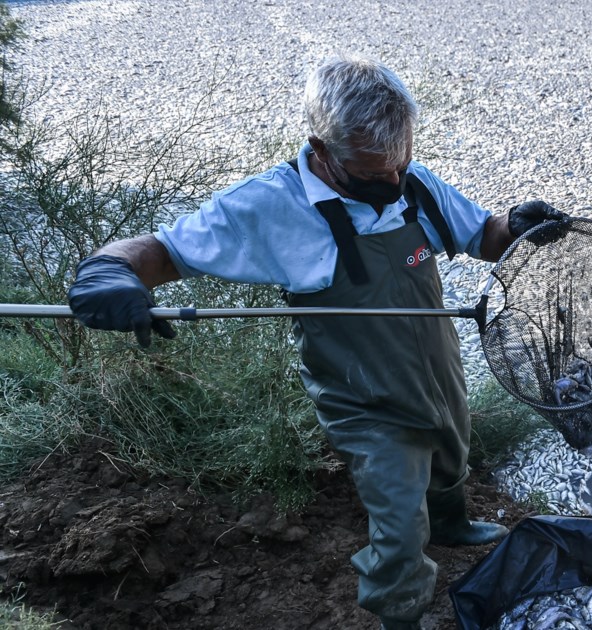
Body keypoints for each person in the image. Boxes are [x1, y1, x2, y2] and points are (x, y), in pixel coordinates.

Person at [66, 53, 565, 630]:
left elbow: (482, 235)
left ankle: (451, 524)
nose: (393, 184)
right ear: (322, 151)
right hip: (364, 399)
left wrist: (518, 226)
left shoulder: (412, 182)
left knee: (451, 452)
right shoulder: (270, 205)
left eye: (400, 166)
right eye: (374, 175)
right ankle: (399, 611)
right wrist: (108, 273)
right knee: (399, 530)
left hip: (438, 366)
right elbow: (157, 252)